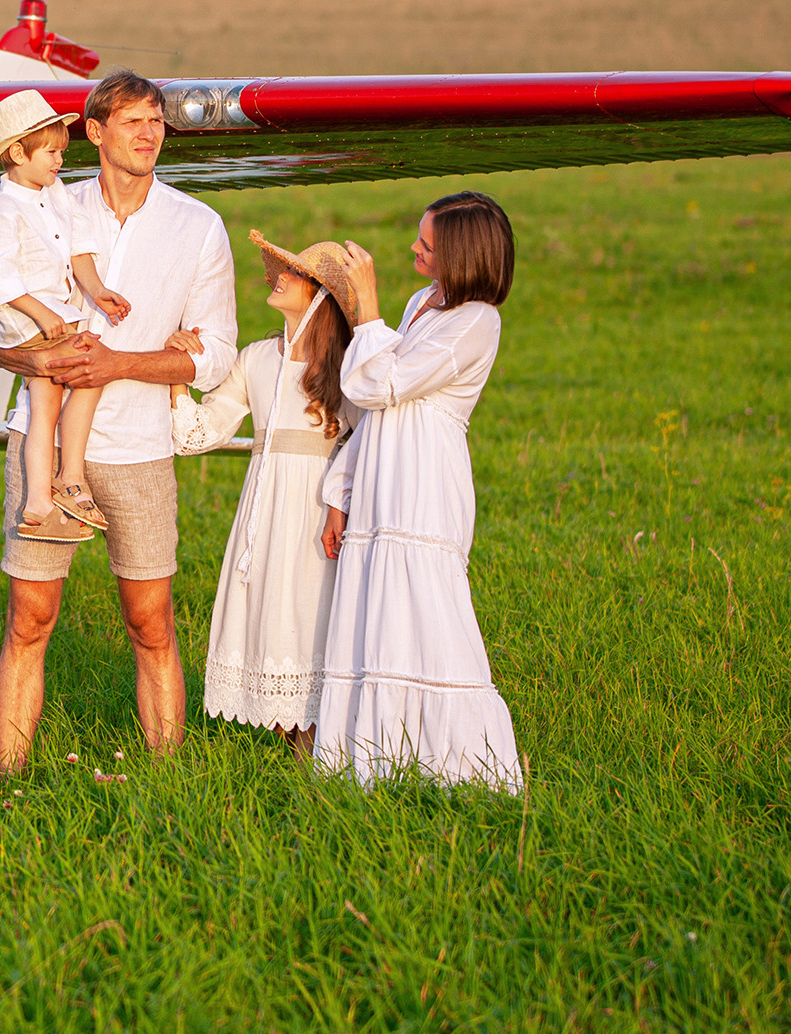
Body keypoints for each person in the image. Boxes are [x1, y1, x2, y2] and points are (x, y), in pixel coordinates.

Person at [0, 71, 237, 770]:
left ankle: (167, 776)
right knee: (29, 619)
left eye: (156, 120)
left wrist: (121, 364)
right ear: (94, 132)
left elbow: (216, 354)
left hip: (140, 448)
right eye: (133, 121)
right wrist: (35, 357)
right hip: (41, 439)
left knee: (151, 621)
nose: (150, 133)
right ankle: (8, 779)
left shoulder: (198, 226)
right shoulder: (45, 205)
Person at [316, 191, 526, 792]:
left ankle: (464, 765)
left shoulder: (477, 322)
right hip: (381, 474)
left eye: (427, 244)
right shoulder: (421, 303)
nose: (414, 248)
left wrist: (366, 309)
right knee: (376, 607)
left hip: (425, 480)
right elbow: (371, 411)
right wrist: (341, 492)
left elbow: (379, 383)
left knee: (428, 607)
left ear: (462, 255)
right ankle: (374, 759)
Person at [170, 231, 359, 762]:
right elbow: (200, 433)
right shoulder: (256, 358)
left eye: (295, 273)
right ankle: (292, 746)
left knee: (311, 614)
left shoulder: (345, 367)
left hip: (320, 510)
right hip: (266, 508)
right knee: (272, 616)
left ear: (321, 296)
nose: (279, 277)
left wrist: (342, 503)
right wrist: (177, 376)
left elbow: (366, 443)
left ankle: (323, 750)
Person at [0, 89, 121, 543]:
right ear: (18, 154)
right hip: (22, 323)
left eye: (61, 152)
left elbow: (77, 245)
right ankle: (70, 480)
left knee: (46, 407)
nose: (60, 161)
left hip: (47, 316)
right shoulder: (4, 213)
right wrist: (43, 315)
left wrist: (98, 290)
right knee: (92, 369)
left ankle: (38, 503)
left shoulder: (52, 192)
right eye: (51, 152)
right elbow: (0, 282)